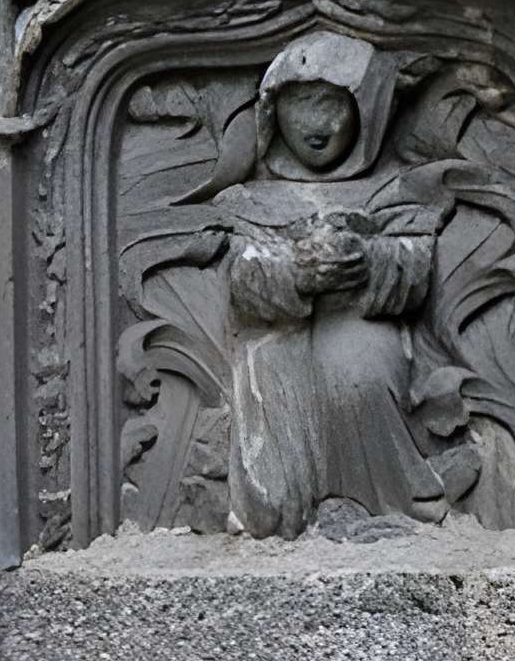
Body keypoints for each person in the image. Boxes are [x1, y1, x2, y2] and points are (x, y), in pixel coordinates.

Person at [205, 32, 483, 537]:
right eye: (301, 104)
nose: (316, 124)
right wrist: (295, 273)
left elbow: (414, 266)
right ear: (272, 112)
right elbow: (241, 278)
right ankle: (286, 513)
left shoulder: (392, 190)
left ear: (365, 111)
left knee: (357, 371)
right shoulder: (247, 200)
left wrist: (367, 261)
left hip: (364, 325)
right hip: (274, 338)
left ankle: (398, 499)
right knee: (271, 422)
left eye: (332, 104)